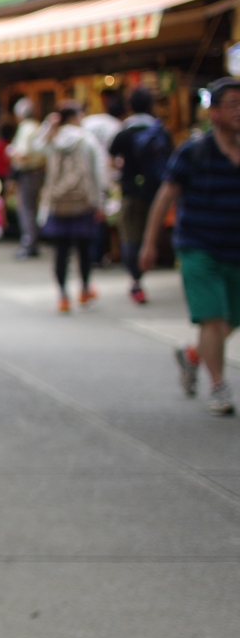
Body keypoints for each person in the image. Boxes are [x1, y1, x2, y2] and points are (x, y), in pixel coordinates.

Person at [139, 76, 240, 416]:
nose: (239, 111)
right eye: (232, 105)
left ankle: (193, 355)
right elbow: (165, 196)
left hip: (236, 248)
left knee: (233, 317)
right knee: (212, 317)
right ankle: (218, 386)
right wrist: (149, 243)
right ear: (213, 112)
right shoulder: (194, 151)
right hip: (198, 245)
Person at [35, 102, 106, 312]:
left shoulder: (53, 139)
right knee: (84, 249)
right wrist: (99, 202)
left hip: (58, 202)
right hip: (83, 202)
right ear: (76, 117)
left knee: (61, 251)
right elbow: (97, 172)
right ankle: (84, 290)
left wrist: (49, 126)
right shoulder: (87, 140)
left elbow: (35, 148)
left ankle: (63, 296)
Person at [110, 87, 172, 304]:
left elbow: (111, 160)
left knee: (129, 237)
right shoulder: (160, 131)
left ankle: (136, 281)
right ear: (150, 106)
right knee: (149, 234)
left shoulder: (124, 133)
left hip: (129, 191)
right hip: (155, 194)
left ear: (129, 107)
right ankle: (143, 272)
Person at [82, 88, 125, 267]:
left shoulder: (89, 121)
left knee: (89, 214)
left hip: (84, 175)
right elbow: (116, 158)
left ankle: (89, 253)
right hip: (105, 176)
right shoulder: (117, 127)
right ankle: (99, 253)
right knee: (102, 215)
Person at [7, 97, 47, 258]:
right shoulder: (38, 127)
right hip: (38, 173)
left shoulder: (25, 129)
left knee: (26, 209)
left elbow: (22, 155)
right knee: (33, 208)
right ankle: (33, 242)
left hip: (28, 173)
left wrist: (10, 152)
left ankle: (29, 244)